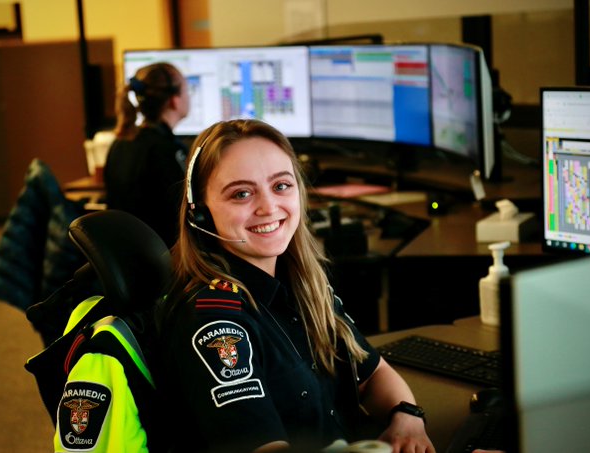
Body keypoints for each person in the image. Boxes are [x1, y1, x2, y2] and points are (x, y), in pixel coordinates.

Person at [157, 119, 435, 452]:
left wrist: (406, 416)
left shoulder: (301, 285)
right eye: (241, 193)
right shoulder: (215, 322)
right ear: (200, 213)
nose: (268, 207)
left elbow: (373, 374)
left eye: (281, 186)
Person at [104, 62, 190, 248]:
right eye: (186, 90)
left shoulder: (120, 143)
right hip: (166, 260)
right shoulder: (168, 151)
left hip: (131, 257)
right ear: (174, 100)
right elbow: (186, 215)